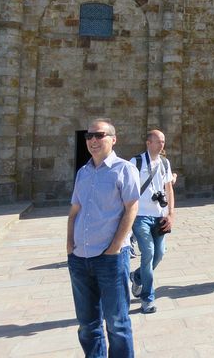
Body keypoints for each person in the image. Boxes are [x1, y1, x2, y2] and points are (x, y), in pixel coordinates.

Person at [66, 119, 140, 357]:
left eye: (99, 135)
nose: (93, 141)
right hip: (79, 258)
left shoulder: (124, 169)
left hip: (110, 258)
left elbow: (132, 208)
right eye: (89, 136)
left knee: (117, 324)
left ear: (113, 139)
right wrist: (69, 245)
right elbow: (74, 210)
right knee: (87, 325)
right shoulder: (83, 172)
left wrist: (115, 248)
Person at [128, 130, 174, 314]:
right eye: (158, 141)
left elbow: (169, 188)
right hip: (140, 217)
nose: (161, 144)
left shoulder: (164, 163)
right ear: (148, 143)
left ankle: (137, 276)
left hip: (159, 216)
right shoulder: (135, 162)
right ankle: (148, 299)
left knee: (159, 253)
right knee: (148, 252)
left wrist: (171, 213)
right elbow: (127, 190)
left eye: (163, 141)